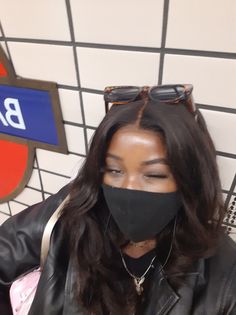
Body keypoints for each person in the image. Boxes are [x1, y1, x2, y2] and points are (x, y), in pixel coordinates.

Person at [0, 84, 236, 315]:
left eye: (154, 174)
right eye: (114, 170)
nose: (129, 188)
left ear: (189, 177)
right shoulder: (69, 214)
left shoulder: (223, 271)